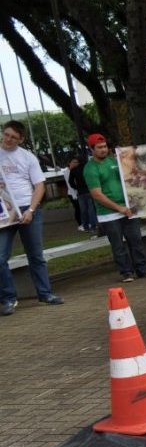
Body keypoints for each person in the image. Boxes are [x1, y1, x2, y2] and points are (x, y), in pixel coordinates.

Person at [0, 120, 63, 316]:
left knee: (36, 255)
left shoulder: (28, 157)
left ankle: (45, 293)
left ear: (21, 139)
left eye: (14, 137)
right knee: (0, 257)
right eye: (7, 134)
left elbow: (39, 186)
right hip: (4, 209)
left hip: (27, 207)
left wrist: (31, 210)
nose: (9, 139)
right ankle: (8, 298)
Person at [83, 133, 146, 282]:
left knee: (136, 240)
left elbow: (132, 177)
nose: (103, 150)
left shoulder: (114, 161)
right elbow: (97, 194)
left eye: (105, 146)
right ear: (91, 149)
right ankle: (126, 272)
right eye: (99, 147)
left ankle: (142, 269)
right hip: (108, 214)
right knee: (118, 245)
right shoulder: (90, 169)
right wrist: (118, 208)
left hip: (127, 209)